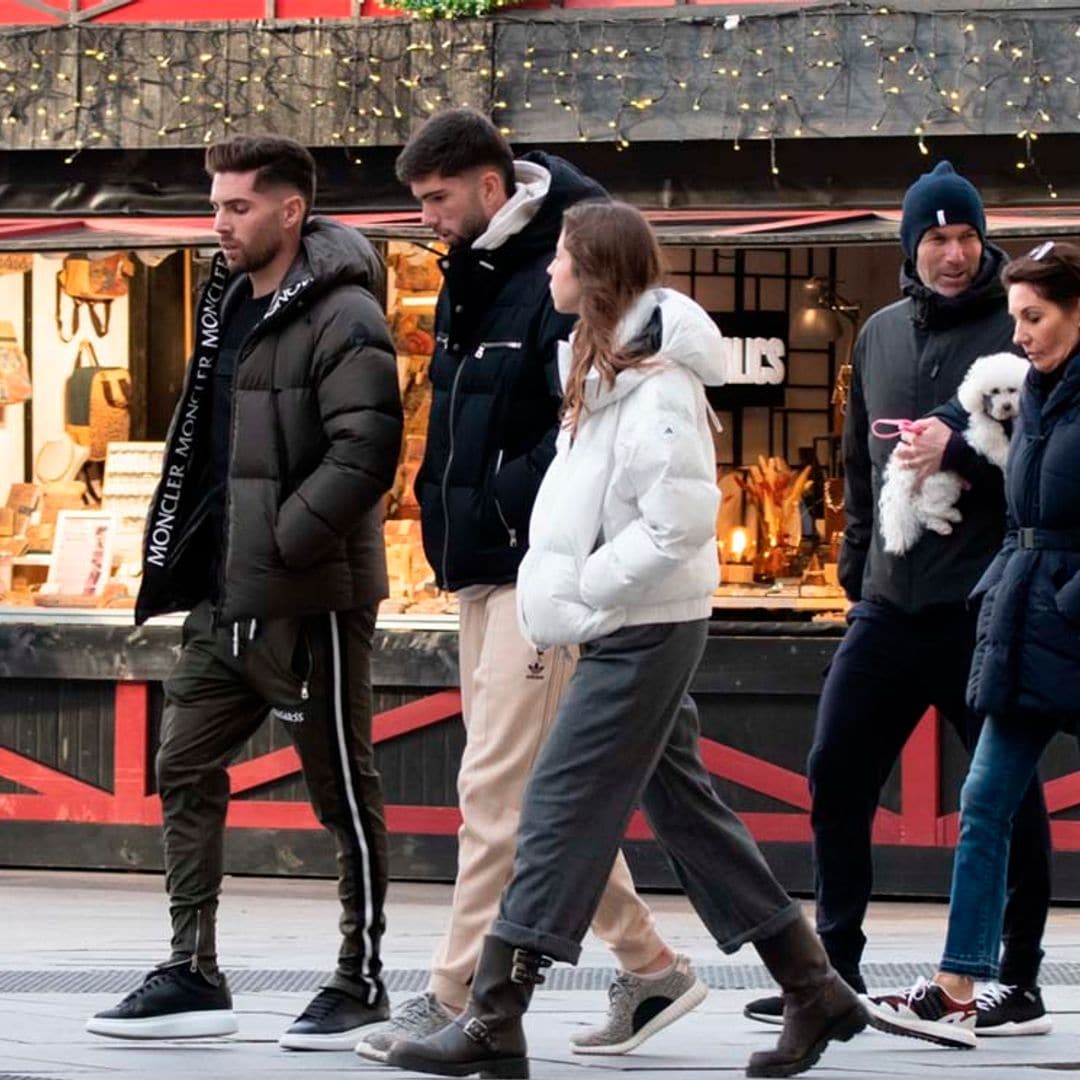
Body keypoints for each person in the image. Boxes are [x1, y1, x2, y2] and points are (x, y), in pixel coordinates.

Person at [383, 200, 867, 1080]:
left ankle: (494, 1015)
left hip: (640, 629)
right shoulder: (603, 370)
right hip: (623, 626)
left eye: (562, 259)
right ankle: (814, 987)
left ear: (595, 276)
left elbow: (681, 523)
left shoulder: (659, 387)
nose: (549, 273)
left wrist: (586, 589)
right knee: (688, 813)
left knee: (556, 807)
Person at [358, 108, 705, 1063]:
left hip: (540, 571)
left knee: (497, 789)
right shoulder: (474, 270)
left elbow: (585, 426)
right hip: (481, 562)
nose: (428, 218)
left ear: (489, 187)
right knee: (543, 794)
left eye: (436, 200)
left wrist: (525, 519)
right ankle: (652, 969)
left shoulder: (576, 260)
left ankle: (452, 995)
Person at [85, 135, 403, 1050]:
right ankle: (193, 969)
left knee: (341, 791)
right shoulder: (227, 301)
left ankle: (363, 980)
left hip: (310, 601)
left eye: (236, 207)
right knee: (182, 764)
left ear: (291, 210)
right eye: (215, 205)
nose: (218, 223)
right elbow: (210, 443)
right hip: (224, 599)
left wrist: (284, 544)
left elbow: (367, 450)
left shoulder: (345, 314)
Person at [743, 161, 1054, 1037]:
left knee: (1005, 797)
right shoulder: (877, 334)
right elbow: (856, 464)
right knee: (835, 773)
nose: (954, 254)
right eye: (935, 239)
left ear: (983, 240)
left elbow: (1038, 463)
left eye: (965, 237)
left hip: (980, 607)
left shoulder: (1018, 329)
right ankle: (831, 969)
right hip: (887, 601)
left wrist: (960, 452)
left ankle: (1018, 977)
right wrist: (852, 572)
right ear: (909, 247)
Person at [865, 240, 1080, 1045]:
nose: (1020, 333)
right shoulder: (1036, 395)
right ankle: (959, 985)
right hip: (1030, 620)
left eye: (1035, 316)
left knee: (988, 801)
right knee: (985, 801)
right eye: (1016, 316)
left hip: (1058, 609)